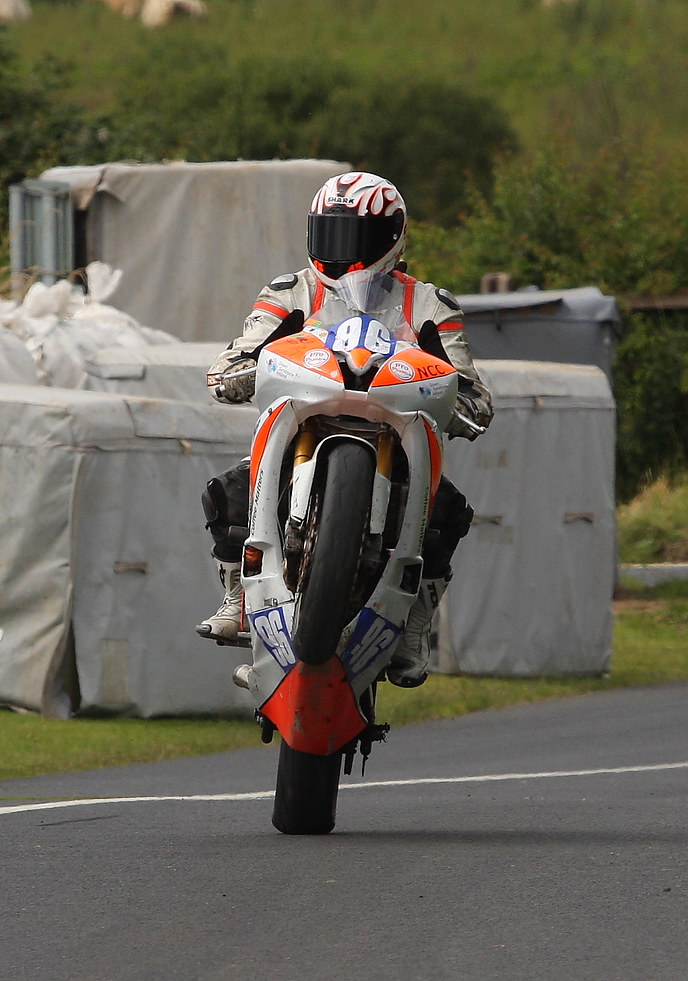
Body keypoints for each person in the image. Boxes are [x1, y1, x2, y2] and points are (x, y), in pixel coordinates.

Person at [196, 171, 493, 687]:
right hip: (303, 425)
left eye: (359, 236)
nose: (344, 252)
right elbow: (241, 351)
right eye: (331, 234)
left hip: (391, 434)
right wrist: (237, 371)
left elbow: (470, 386)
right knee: (229, 489)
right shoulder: (291, 290)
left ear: (393, 236)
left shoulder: (428, 303)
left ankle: (415, 623)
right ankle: (239, 595)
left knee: (448, 509)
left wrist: (465, 404)